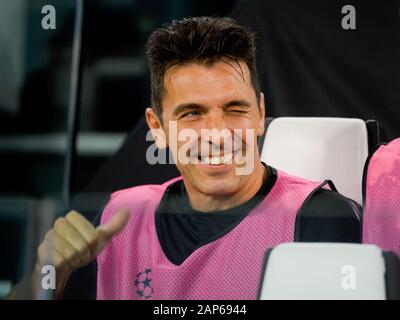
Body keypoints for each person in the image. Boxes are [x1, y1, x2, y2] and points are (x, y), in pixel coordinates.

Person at [9, 16, 360, 300]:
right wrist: (47, 275)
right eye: (192, 113)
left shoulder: (320, 219)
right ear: (157, 128)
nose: (217, 133)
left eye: (234, 109)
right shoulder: (114, 218)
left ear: (259, 114)